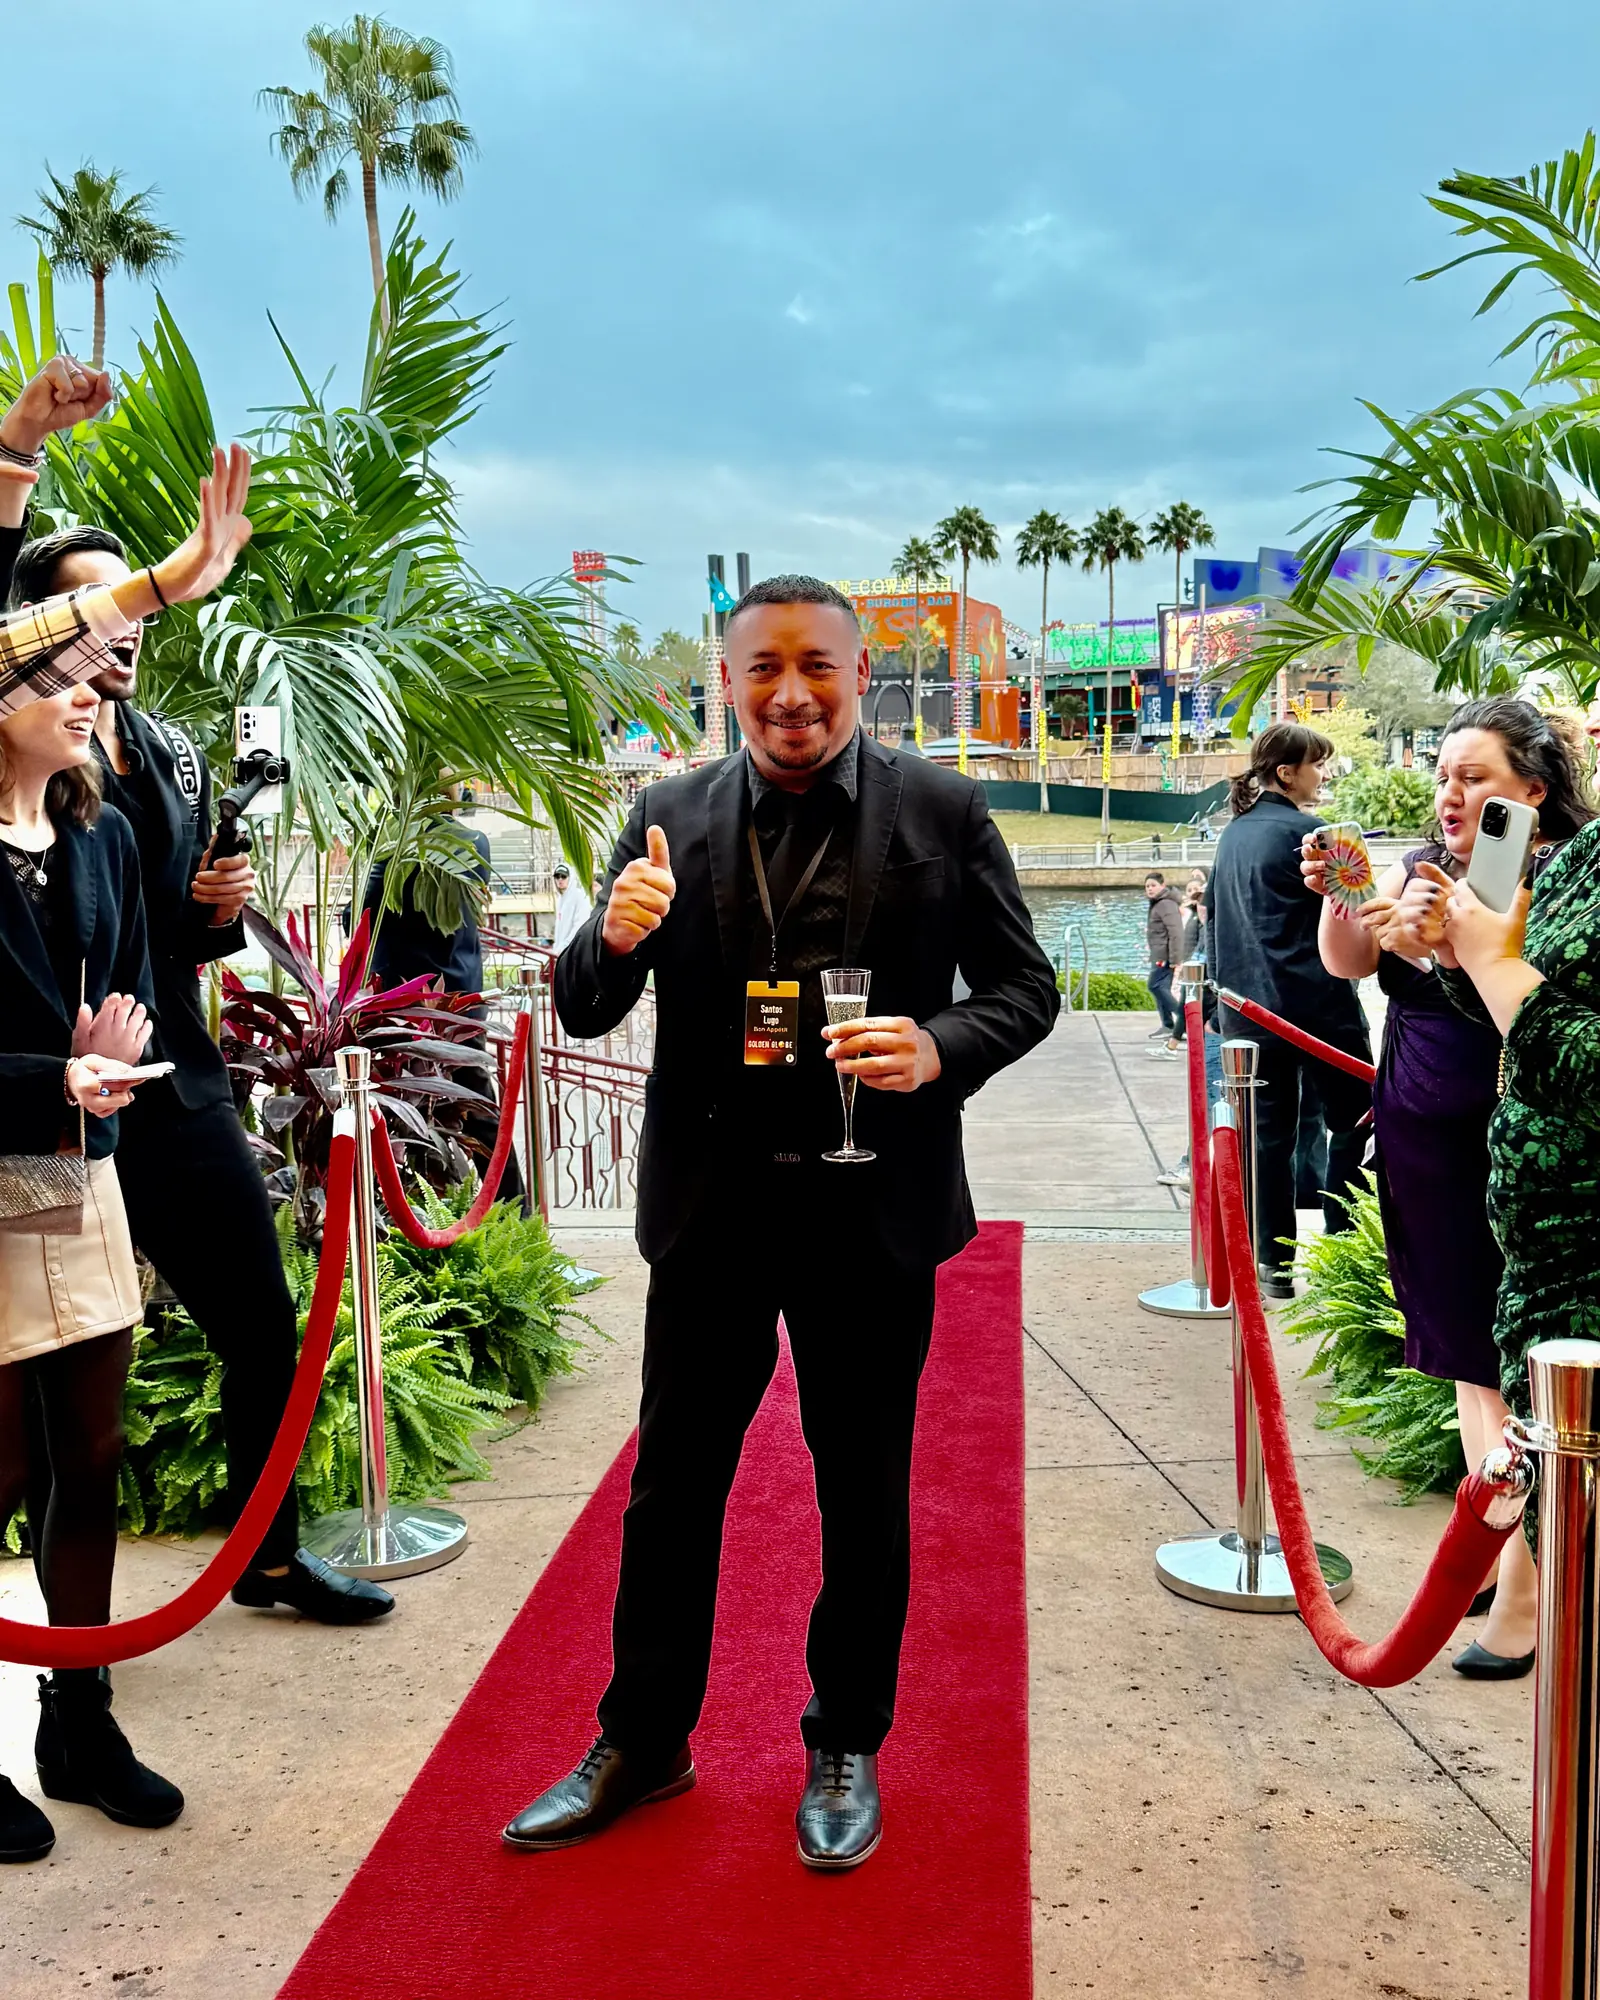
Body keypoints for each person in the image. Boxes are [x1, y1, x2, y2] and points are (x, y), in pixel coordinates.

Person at [507, 575, 1059, 1869]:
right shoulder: (666, 816)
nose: (792, 693)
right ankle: (644, 1738)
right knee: (671, 1486)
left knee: (861, 1488)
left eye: (818, 666)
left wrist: (938, 1046)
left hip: (872, 1204)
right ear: (728, 679)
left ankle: (846, 1739)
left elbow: (1025, 988)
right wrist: (610, 939)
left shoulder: (942, 809)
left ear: (860, 675)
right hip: (714, 1207)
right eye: (763, 668)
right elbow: (583, 1006)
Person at [12, 523, 395, 1627]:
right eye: (96, 607)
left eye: (133, 605)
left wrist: (218, 909)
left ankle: (268, 1556)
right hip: (41, 1108)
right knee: (50, 1400)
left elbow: (165, 934)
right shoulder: (26, 750)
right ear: (40, 630)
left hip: (171, 1081)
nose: (123, 626)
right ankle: (67, 1656)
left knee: (262, 1323)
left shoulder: (171, 752)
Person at [1303, 698, 1594, 1674]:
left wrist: (1453, 941)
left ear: (1533, 790)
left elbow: (1524, 1001)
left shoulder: (1555, 880)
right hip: (1418, 1128)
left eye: (1474, 776)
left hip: (1505, 1135)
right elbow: (1346, 960)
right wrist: (1347, 898)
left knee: (1499, 1359)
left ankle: (1523, 1587)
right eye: (1442, 775)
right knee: (1467, 1355)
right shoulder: (1426, 866)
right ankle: (1497, 1549)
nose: (1451, 793)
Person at [0, 673, 169, 1862]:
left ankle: (81, 1719)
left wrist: (112, 1066)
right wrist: (54, 1075)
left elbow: (134, 994)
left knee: (90, 1448)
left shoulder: (98, 832)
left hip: (69, 1167)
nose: (87, 696)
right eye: (57, 676)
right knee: (3, 1462)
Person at [1206, 722, 1371, 1299]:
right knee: (1356, 1126)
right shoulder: (1318, 836)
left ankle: (1273, 1266)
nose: (1324, 774)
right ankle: (1346, 1257)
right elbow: (1362, 918)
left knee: (1268, 1143)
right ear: (1286, 772)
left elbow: (1214, 922)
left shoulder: (1232, 835)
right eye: (1317, 764)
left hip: (1249, 1011)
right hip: (1319, 1010)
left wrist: (1217, 1004)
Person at [360, 807, 522, 1203]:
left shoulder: (389, 842)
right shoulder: (473, 841)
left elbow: (363, 917)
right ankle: (515, 1207)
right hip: (459, 1002)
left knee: (406, 1112)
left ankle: (421, 1207)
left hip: (404, 1004)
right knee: (478, 1109)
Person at [1143, 871, 1184, 1042]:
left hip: (1164, 956)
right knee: (1162, 988)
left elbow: (1176, 932)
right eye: (1147, 886)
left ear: (1162, 886)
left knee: (1155, 986)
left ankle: (1184, 1021)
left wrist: (1175, 959)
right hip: (1158, 953)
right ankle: (1168, 1026)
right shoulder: (1158, 904)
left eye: (1153, 885)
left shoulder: (1165, 904)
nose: (1150, 889)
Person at [550, 860, 590, 953]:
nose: (560, 879)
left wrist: (565, 946)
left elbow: (580, 925)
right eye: (557, 876)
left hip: (572, 951)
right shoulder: (560, 900)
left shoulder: (579, 896)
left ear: (570, 878)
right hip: (561, 952)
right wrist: (557, 948)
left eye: (564, 876)